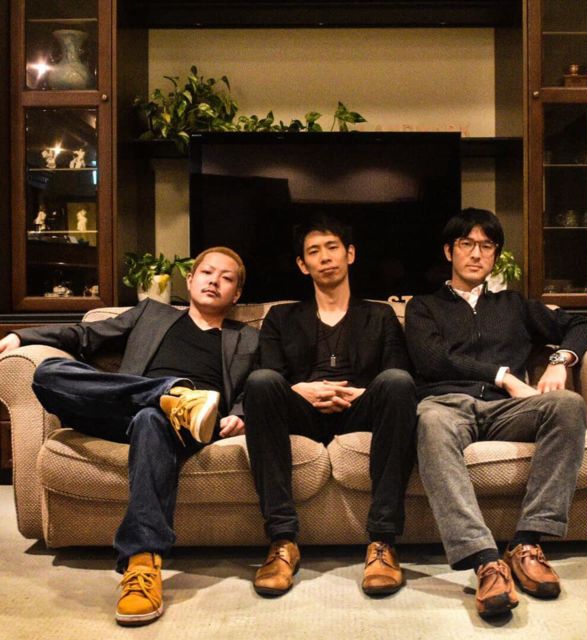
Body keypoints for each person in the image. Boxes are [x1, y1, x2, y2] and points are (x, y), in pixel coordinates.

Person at [0, 246, 257, 627]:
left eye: (226, 277)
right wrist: (21, 337)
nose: (214, 281)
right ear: (190, 280)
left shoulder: (247, 338)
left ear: (236, 294)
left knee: (151, 420)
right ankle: (169, 394)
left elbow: (259, 384)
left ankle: (142, 563)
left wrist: (240, 415)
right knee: (48, 373)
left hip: (188, 426)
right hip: (118, 409)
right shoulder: (151, 314)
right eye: (207, 272)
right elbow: (85, 336)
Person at [404, 208, 587, 619]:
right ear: (449, 251)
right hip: (447, 403)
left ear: (495, 255)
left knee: (568, 405)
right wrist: (503, 376)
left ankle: (527, 543)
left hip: (507, 410)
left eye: (487, 246)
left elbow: (583, 325)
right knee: (431, 422)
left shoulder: (514, 305)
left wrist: (561, 360)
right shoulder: (423, 307)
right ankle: (485, 561)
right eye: (467, 244)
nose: (477, 254)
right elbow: (431, 360)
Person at [243, 215, 416, 598]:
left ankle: (383, 542)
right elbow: (270, 375)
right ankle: (282, 541)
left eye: (332, 247)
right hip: (301, 413)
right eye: (314, 251)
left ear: (350, 254)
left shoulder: (380, 315)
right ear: (302, 264)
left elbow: (398, 370)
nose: (325, 257)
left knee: (398, 383)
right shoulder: (281, 317)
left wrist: (361, 391)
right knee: (260, 383)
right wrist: (300, 389)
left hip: (360, 411)